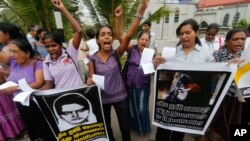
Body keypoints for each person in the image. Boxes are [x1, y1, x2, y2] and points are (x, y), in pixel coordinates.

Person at [86, 1, 148, 141]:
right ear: (97, 39)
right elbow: (91, 79)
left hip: (121, 97)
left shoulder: (116, 53)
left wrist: (141, 10)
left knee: (125, 127)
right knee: (107, 126)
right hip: (103, 99)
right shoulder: (92, 58)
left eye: (109, 34)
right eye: (103, 34)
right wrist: (89, 81)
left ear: (112, 38)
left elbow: (129, 35)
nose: (107, 36)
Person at [155, 19, 214, 141]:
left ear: (196, 33)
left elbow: (214, 75)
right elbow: (164, 74)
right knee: (163, 129)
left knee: (179, 130)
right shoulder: (172, 52)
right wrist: (158, 64)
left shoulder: (206, 54)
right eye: (181, 34)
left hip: (190, 102)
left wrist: (229, 67)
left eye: (188, 32)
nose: (184, 36)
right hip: (169, 100)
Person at [0, 38, 44, 141]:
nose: (12, 54)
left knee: (41, 128)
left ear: (27, 53)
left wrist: (17, 88)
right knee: (31, 130)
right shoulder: (13, 62)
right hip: (20, 103)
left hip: (35, 103)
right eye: (11, 52)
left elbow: (39, 83)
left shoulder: (37, 64)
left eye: (15, 52)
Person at [210, 28, 247, 141]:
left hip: (238, 94)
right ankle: (210, 133)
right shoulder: (217, 55)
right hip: (220, 93)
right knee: (215, 116)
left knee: (233, 117)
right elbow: (211, 75)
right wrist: (226, 67)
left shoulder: (245, 56)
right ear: (226, 42)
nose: (240, 42)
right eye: (235, 39)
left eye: (242, 39)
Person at [40, 0, 83, 90]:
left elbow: (78, 31)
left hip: (80, 95)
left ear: (60, 45)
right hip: (62, 99)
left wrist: (63, 9)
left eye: (53, 45)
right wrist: (32, 93)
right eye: (47, 46)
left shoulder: (70, 53)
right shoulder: (46, 63)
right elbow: (49, 85)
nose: (51, 49)